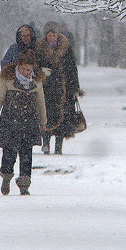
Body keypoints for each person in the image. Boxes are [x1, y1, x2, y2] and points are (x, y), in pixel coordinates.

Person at [0, 50, 48, 195]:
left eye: (29, 69)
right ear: (18, 66)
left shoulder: (36, 81)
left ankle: (24, 185)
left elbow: (40, 102)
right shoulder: (7, 79)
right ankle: (6, 178)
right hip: (10, 122)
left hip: (29, 123)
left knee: (27, 155)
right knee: (9, 154)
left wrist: (43, 121)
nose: (26, 72)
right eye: (24, 69)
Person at [36, 21, 83, 155]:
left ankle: (58, 145)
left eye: (54, 35)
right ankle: (45, 142)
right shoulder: (40, 48)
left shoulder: (65, 48)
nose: (51, 37)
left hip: (63, 88)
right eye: (49, 35)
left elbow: (72, 69)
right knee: (46, 115)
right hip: (46, 88)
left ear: (58, 35)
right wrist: (41, 72)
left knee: (63, 115)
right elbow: (36, 65)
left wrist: (74, 87)